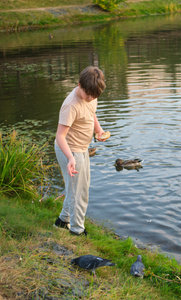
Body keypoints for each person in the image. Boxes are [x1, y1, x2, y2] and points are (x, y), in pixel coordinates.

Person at [54, 66, 107, 236]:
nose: (91, 99)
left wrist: (98, 130)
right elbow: (60, 136)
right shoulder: (71, 105)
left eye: (94, 96)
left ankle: (63, 221)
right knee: (80, 192)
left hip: (81, 148)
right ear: (79, 85)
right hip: (70, 150)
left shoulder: (91, 95)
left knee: (75, 188)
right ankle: (77, 230)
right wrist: (70, 158)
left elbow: (91, 114)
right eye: (88, 95)